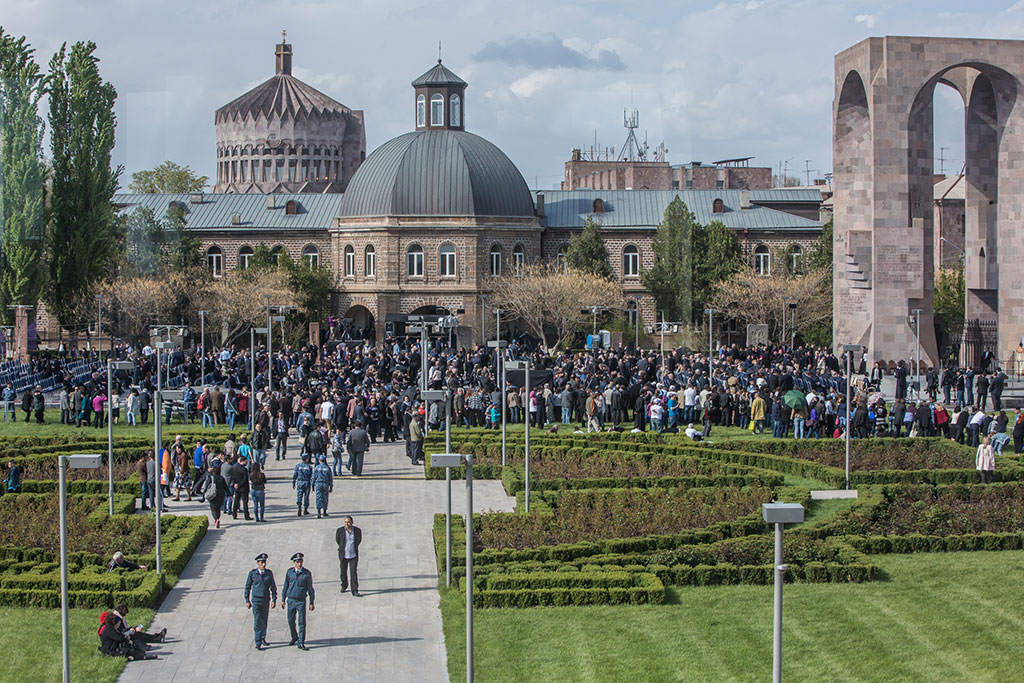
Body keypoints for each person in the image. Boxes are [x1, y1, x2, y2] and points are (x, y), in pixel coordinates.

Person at [280, 552, 315, 650]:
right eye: (297, 562)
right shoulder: (289, 572)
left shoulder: (307, 573)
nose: (299, 564)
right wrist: (283, 599)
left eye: (300, 561)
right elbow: (285, 586)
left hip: (301, 600)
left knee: (301, 622)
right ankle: (294, 636)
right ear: (294, 562)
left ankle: (301, 642)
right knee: (290, 620)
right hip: (291, 600)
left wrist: (311, 602)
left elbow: (310, 589)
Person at [244, 553, 277, 650]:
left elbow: (273, 587)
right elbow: (247, 587)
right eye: (261, 562)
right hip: (256, 600)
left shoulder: (269, 574)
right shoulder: (252, 574)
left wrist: (274, 599)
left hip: (265, 600)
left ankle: (263, 637)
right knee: (257, 620)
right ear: (257, 563)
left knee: (264, 619)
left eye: (264, 562)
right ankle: (258, 641)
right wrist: (247, 600)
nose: (263, 564)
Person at [336, 515, 362, 597]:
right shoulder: (340, 531)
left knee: (353, 572)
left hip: (353, 555)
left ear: (352, 522)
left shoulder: (357, 531)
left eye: (348, 522)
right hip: (344, 555)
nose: (347, 524)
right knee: (343, 572)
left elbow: (358, 541)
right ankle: (344, 585)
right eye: (345, 522)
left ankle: (354, 589)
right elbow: (338, 540)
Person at [202, 461, 229, 529]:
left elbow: (206, 486)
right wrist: (229, 494)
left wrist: (204, 493)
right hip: (221, 495)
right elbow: (225, 487)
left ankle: (216, 519)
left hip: (213, 495)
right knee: (218, 508)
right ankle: (217, 518)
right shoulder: (222, 478)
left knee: (213, 508)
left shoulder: (211, 478)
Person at [231, 454, 253, 520]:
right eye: (245, 462)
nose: (246, 463)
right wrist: (239, 485)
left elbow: (232, 477)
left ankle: (234, 514)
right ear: (242, 461)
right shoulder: (244, 470)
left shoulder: (234, 468)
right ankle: (246, 516)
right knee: (245, 502)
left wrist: (235, 484)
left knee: (236, 501)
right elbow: (244, 480)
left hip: (236, 487)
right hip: (243, 488)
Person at [312, 454, 334, 518]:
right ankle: (324, 511)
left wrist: (312, 486)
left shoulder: (316, 468)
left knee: (318, 497)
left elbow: (313, 477)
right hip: (325, 484)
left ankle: (319, 512)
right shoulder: (327, 468)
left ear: (319, 460)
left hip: (318, 484)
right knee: (325, 498)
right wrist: (331, 487)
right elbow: (330, 478)